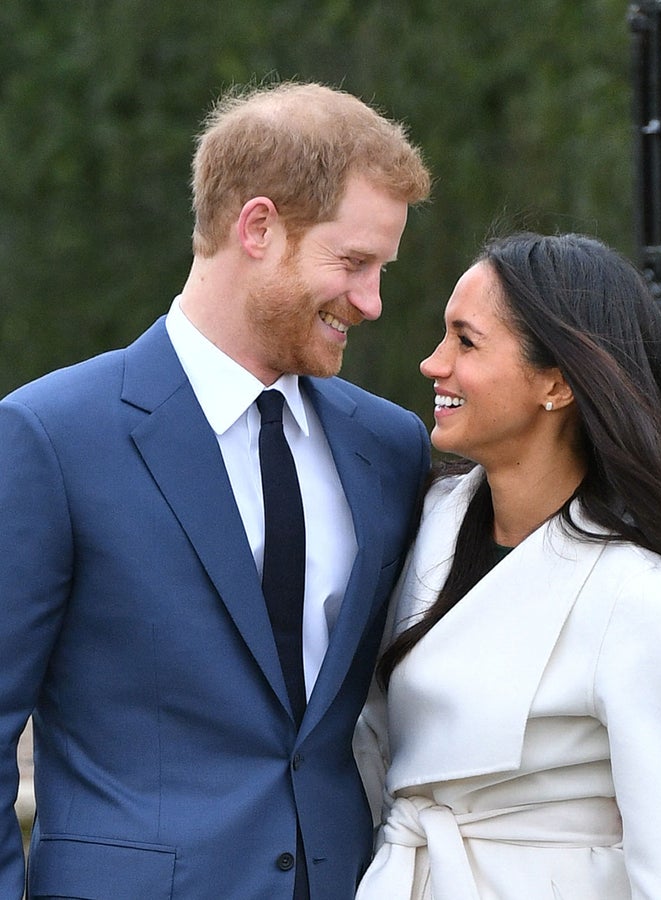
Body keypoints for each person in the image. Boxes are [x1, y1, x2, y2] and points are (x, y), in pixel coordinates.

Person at [0, 81, 432, 900]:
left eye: (382, 270)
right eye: (353, 263)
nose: (372, 301)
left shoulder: (390, 445)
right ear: (259, 227)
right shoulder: (50, 437)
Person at [354, 232, 661, 899]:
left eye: (466, 342)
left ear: (556, 383)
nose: (434, 364)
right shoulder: (427, 525)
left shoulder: (643, 599)